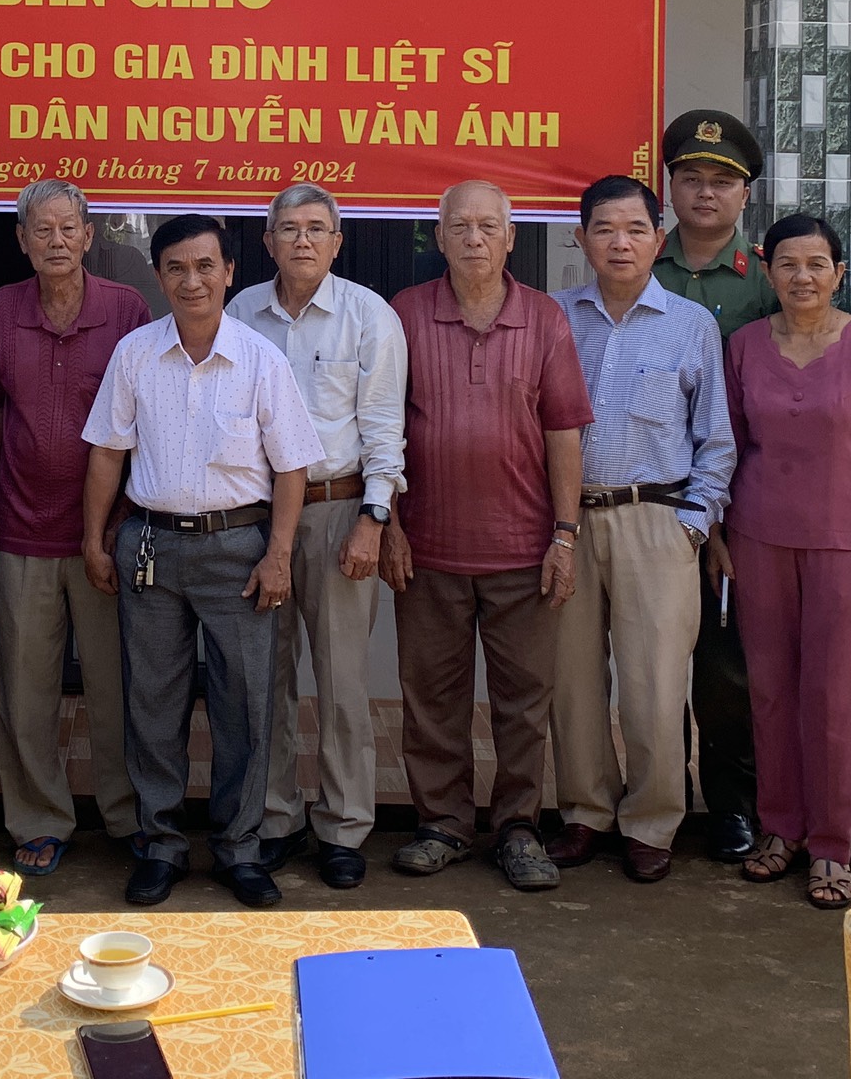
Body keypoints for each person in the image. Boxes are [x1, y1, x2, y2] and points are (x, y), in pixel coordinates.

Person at [81, 215, 322, 910]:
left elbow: (291, 469)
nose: (193, 280)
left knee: (243, 705)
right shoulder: (134, 355)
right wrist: (96, 541)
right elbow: (106, 453)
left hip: (239, 551)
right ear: (160, 277)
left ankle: (240, 849)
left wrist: (279, 554)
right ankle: (160, 843)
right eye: (178, 268)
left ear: (229, 273)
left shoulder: (260, 360)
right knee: (152, 702)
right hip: (152, 547)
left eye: (206, 266)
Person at [379, 180, 590, 892]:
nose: (474, 237)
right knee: (431, 697)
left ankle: (520, 826)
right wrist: (391, 526)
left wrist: (565, 535)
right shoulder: (404, 315)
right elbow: (384, 431)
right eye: (459, 225)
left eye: (488, 226)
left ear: (509, 237)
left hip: (523, 550)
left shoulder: (545, 318)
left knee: (524, 701)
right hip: (428, 548)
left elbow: (564, 430)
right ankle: (441, 823)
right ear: (437, 237)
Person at [720, 214, 851, 911]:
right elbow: (729, 445)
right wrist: (717, 534)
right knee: (769, 691)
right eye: (789, 265)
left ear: (839, 273)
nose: (803, 277)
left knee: (836, 697)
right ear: (766, 271)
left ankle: (832, 844)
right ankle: (781, 830)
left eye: (817, 264)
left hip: (847, 543)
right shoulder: (743, 347)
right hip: (759, 537)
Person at [546, 173, 732, 885]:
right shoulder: (554, 316)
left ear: (660, 238)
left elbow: (715, 438)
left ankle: (653, 821)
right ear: (581, 239)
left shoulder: (692, 324)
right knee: (572, 680)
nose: (619, 243)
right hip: (568, 522)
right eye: (604, 229)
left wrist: (693, 521)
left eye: (634, 230)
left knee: (654, 684)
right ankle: (586, 812)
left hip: (657, 520)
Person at [225, 182, 406, 891]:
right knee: (261, 679)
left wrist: (375, 517)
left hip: (337, 510)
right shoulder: (242, 313)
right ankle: (275, 817)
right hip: (256, 516)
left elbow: (385, 427)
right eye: (288, 229)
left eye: (317, 229)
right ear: (267, 243)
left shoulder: (369, 316)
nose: (302, 240)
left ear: (338, 241)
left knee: (341, 680)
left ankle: (342, 825)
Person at [0, 179, 149, 875]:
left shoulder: (126, 309)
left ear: (89, 234)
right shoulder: (5, 308)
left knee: (116, 685)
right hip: (20, 526)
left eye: (68, 229)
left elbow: (147, 417)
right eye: (41, 231)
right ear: (22, 239)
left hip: (104, 532)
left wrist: (128, 520)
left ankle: (127, 815)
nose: (56, 242)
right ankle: (40, 818)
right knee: (26, 687)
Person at [653, 108, 774, 864]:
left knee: (728, 668)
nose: (706, 192)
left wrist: (726, 516)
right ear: (670, 187)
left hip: (746, 502)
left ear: (745, 193)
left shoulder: (768, 278)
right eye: (692, 178)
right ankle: (659, 804)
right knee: (652, 664)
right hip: (659, 503)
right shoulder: (637, 265)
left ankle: (732, 804)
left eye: (722, 181)